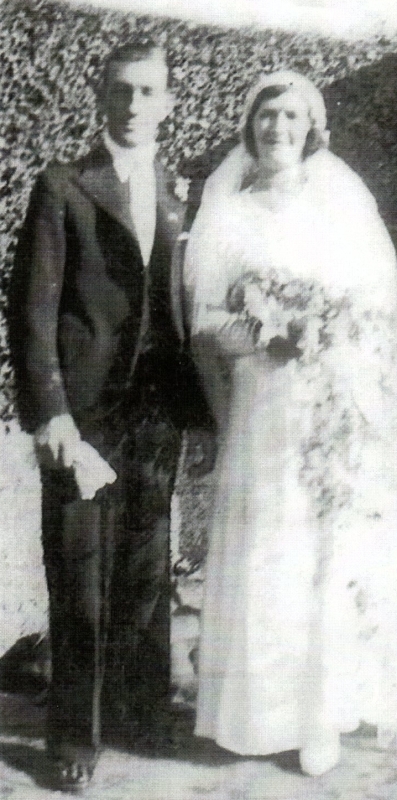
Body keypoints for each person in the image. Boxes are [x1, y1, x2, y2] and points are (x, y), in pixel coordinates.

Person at [184, 70, 397, 778]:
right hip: (260, 404)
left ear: (312, 129)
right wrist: (263, 331)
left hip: (326, 408)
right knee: (263, 547)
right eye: (266, 116)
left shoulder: (339, 204)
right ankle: (250, 714)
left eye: (291, 117)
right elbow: (204, 322)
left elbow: (372, 311)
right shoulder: (229, 209)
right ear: (249, 129)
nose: (277, 127)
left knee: (322, 552)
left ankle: (319, 715)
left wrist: (321, 334)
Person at [8, 40, 215, 792]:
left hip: (155, 413)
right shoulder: (62, 187)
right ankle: (74, 738)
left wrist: (204, 415)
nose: (133, 105)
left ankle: (140, 716)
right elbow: (31, 312)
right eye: (121, 91)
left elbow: (190, 308)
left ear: (166, 102)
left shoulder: (179, 193)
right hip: (85, 421)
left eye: (147, 92)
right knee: (80, 578)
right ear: (103, 97)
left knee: (146, 574)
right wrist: (51, 414)